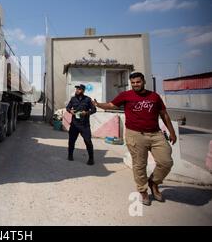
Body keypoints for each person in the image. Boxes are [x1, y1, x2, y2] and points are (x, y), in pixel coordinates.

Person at [93, 72, 176, 206]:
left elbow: (164, 114)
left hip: (156, 134)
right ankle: (143, 190)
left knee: (166, 161)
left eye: (138, 82)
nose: (135, 85)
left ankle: (154, 182)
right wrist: (98, 105)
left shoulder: (154, 96)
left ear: (144, 82)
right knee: (139, 164)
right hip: (135, 134)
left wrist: (172, 132)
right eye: (133, 83)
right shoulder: (126, 95)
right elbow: (111, 105)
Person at [66, 84, 97, 165]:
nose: (77, 90)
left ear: (83, 90)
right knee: (71, 141)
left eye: (79, 89)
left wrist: (86, 113)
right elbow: (68, 107)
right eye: (76, 89)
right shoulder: (73, 99)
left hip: (84, 125)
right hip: (74, 124)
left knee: (88, 141)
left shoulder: (88, 99)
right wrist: (70, 111)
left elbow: (94, 110)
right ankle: (70, 155)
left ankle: (91, 159)